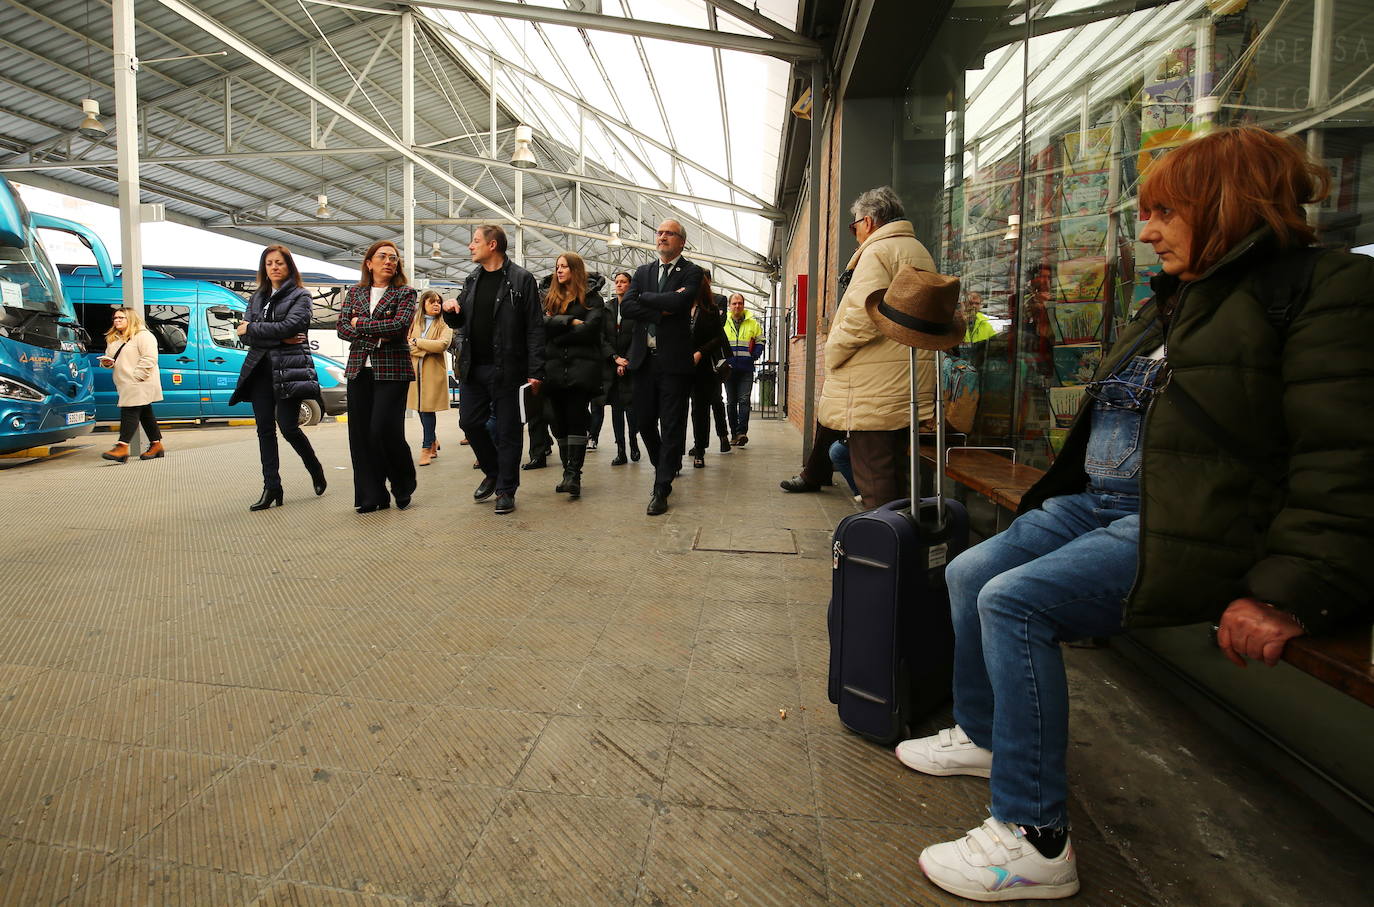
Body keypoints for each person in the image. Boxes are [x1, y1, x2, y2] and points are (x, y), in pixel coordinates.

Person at [902, 126, 1374, 902]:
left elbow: (1346, 452)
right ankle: (989, 736)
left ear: (1226, 206)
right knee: (968, 568)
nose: (1146, 231)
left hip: (1189, 522)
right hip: (1100, 504)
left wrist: (1292, 588)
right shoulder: (1177, 301)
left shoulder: (1323, 289)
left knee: (1013, 601)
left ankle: (1034, 839)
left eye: (1164, 212)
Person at [817, 186, 940, 510]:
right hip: (903, 379)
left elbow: (863, 315)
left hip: (876, 385)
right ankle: (898, 548)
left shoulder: (879, 252)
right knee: (893, 475)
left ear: (868, 221)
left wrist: (833, 351)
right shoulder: (915, 250)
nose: (854, 231)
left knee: (875, 479)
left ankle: (883, 553)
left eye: (854, 224)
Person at [443, 224, 543, 516]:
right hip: (474, 368)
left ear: (493, 245)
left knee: (508, 431)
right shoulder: (472, 280)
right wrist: (451, 310)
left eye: (475, 241)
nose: (470, 247)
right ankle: (493, 470)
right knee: (470, 423)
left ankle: (506, 489)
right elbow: (460, 322)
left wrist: (536, 370)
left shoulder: (521, 279)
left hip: (509, 369)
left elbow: (535, 328)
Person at [228, 244, 326, 510]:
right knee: (264, 431)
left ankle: (315, 468)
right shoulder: (256, 297)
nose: (274, 267)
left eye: (279, 263)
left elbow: (293, 326)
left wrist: (258, 330)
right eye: (269, 263)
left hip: (288, 371)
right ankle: (272, 487)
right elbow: (244, 334)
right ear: (264, 268)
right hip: (259, 371)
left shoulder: (301, 296)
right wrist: (279, 337)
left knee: (288, 427)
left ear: (289, 266)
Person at [621, 219, 702, 516]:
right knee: (643, 422)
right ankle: (663, 465)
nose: (663, 237)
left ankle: (661, 486)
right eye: (660, 233)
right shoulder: (643, 272)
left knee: (671, 425)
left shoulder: (691, 271)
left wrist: (646, 299)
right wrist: (659, 307)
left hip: (673, 363)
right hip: (644, 361)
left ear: (681, 242)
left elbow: (681, 303)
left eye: (669, 234)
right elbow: (626, 307)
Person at [336, 240, 418, 513]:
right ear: (369, 263)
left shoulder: (405, 293)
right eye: (382, 256)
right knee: (360, 435)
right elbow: (342, 329)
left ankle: (403, 482)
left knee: (383, 429)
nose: (389, 261)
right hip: (360, 369)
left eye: (393, 258)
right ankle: (372, 496)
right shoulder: (355, 293)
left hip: (393, 370)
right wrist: (374, 332)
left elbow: (398, 326)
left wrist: (362, 325)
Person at [541, 252, 605, 498]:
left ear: (575, 270)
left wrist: (555, 327)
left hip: (582, 369)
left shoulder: (592, 299)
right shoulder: (548, 298)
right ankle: (567, 471)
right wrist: (570, 322)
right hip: (554, 369)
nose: (559, 271)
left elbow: (591, 331)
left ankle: (573, 474)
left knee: (576, 417)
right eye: (557, 266)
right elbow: (540, 325)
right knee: (558, 421)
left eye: (564, 267)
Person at [99, 306, 165, 463]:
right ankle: (156, 445)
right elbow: (111, 358)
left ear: (131, 319)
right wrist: (107, 363)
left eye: (121, 318)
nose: (117, 321)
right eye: (115, 318)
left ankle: (122, 447)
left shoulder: (144, 336)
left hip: (140, 382)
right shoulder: (114, 338)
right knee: (145, 412)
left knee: (129, 411)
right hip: (125, 382)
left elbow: (149, 358)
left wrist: (137, 377)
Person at [407, 289, 454, 467]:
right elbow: (406, 343)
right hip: (415, 373)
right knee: (420, 408)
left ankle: (426, 447)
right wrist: (425, 347)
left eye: (438, 302)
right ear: (423, 304)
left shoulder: (445, 323)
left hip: (433, 373)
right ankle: (433, 440)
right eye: (431, 302)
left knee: (427, 409)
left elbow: (442, 345)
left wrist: (418, 342)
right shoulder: (415, 321)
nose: (436, 305)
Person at [687, 273, 728, 469]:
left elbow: (718, 338)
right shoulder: (678, 307)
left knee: (700, 409)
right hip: (679, 366)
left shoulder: (711, 309)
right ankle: (675, 452)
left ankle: (700, 449)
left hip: (702, 366)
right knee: (676, 411)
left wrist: (700, 353)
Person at [603, 271, 640, 466]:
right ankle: (621, 450)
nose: (619, 284)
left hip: (631, 366)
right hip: (612, 365)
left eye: (623, 282)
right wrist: (615, 358)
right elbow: (602, 338)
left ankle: (634, 442)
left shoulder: (635, 308)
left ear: (630, 285)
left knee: (631, 409)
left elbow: (638, 337)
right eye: (616, 281)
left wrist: (627, 360)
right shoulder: (607, 308)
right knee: (617, 410)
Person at [722, 292, 765, 446]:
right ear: (729, 305)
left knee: (744, 400)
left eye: (740, 303)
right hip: (728, 368)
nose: (737, 306)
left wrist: (754, 355)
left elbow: (761, 340)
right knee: (731, 402)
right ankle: (733, 433)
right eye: (734, 303)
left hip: (746, 368)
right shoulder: (723, 322)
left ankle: (742, 433)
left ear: (743, 305)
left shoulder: (753, 323)